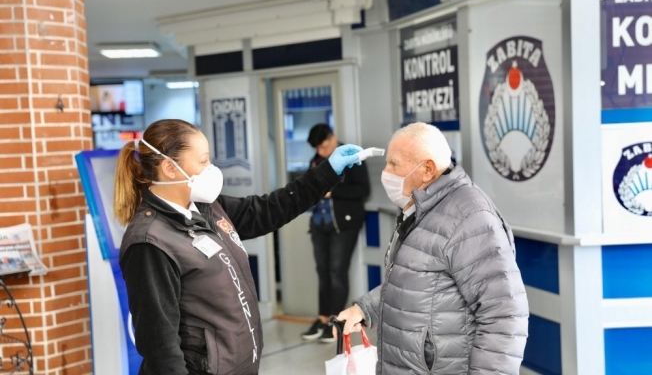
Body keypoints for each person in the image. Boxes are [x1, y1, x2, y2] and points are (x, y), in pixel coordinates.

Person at [113, 119, 362, 375]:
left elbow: (269, 209)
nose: (211, 169)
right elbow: (161, 348)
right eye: (203, 161)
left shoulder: (207, 208)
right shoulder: (150, 242)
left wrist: (327, 172)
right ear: (170, 168)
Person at [336, 122, 529, 374]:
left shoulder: (470, 218)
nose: (386, 171)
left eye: (394, 164)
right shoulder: (422, 207)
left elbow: (504, 314)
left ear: (427, 169)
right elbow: (419, 279)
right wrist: (365, 308)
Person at [301, 124, 370, 343]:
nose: (321, 151)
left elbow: (363, 190)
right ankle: (322, 319)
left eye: (324, 146)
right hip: (320, 224)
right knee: (323, 271)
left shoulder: (351, 157)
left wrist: (334, 192)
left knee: (337, 272)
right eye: (318, 148)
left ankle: (335, 321)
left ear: (333, 137)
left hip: (344, 224)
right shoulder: (316, 161)